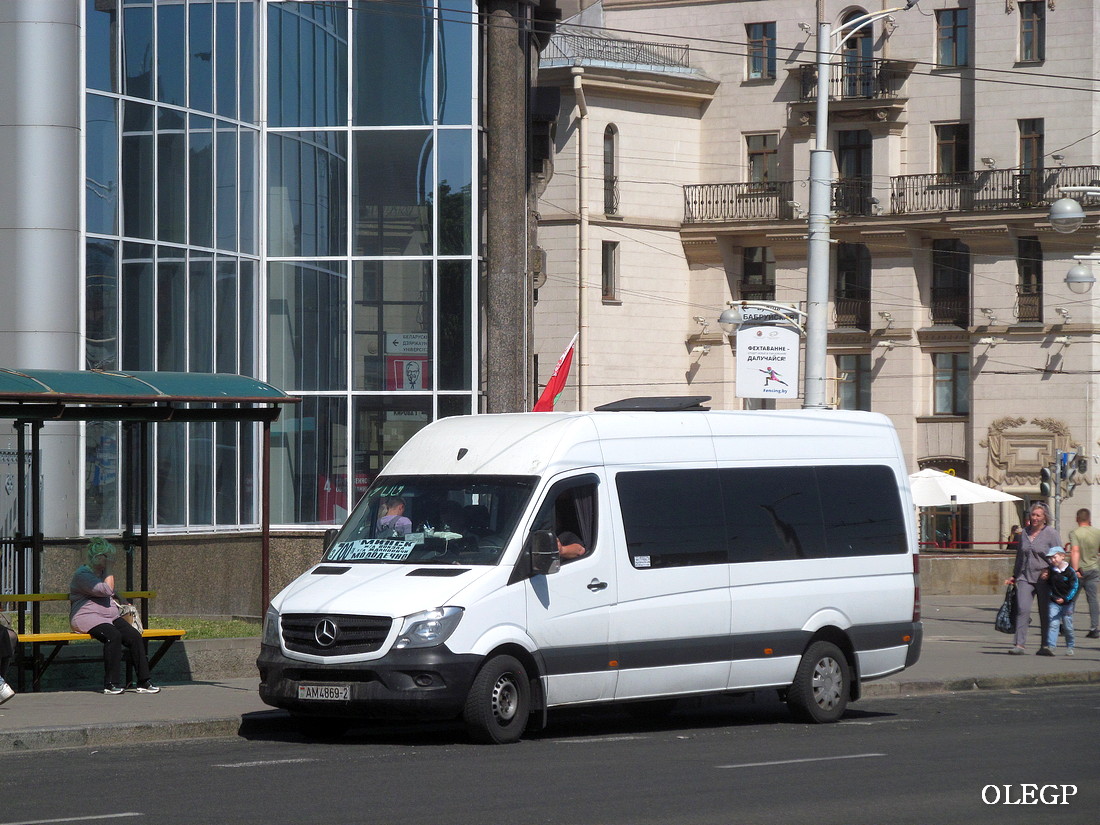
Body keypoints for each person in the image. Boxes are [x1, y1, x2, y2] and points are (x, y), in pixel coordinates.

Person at [69, 538, 160, 695]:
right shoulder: (82, 575)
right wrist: (110, 569)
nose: (112, 560)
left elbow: (110, 589)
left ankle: (144, 681)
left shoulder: (101, 573)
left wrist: (121, 597)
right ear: (98, 557)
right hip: (87, 617)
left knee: (134, 636)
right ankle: (110, 684)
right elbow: (105, 590)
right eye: (108, 557)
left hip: (109, 616)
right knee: (113, 636)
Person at [1004, 502, 1059, 654]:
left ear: (1045, 518)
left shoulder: (1051, 534)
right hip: (1025, 576)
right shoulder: (1024, 533)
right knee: (1023, 609)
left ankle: (1045, 645)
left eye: (1038, 515)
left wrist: (1050, 569)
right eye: (1032, 515)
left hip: (1044, 578)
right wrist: (1015, 575)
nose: (1034, 518)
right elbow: (1020, 556)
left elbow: (1058, 555)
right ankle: (1019, 645)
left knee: (1045, 611)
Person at [1038, 546, 1079, 656]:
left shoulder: (1069, 571)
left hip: (1067, 602)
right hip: (1054, 601)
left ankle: (1070, 645)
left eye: (1055, 557)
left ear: (1062, 556)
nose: (1052, 560)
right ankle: (1051, 646)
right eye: (1050, 558)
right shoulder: (1051, 570)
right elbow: (1048, 584)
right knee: (1053, 623)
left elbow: (1074, 586)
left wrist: (1066, 598)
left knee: (1067, 625)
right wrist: (1044, 577)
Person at [1066, 508, 1100, 639]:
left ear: (1077, 519)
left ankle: (1067, 625)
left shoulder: (1075, 533)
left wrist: (1074, 570)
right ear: (1089, 519)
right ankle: (1094, 627)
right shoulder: (1097, 532)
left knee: (1071, 598)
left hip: (1079, 569)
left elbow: (1075, 551)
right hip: (1094, 569)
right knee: (1092, 599)